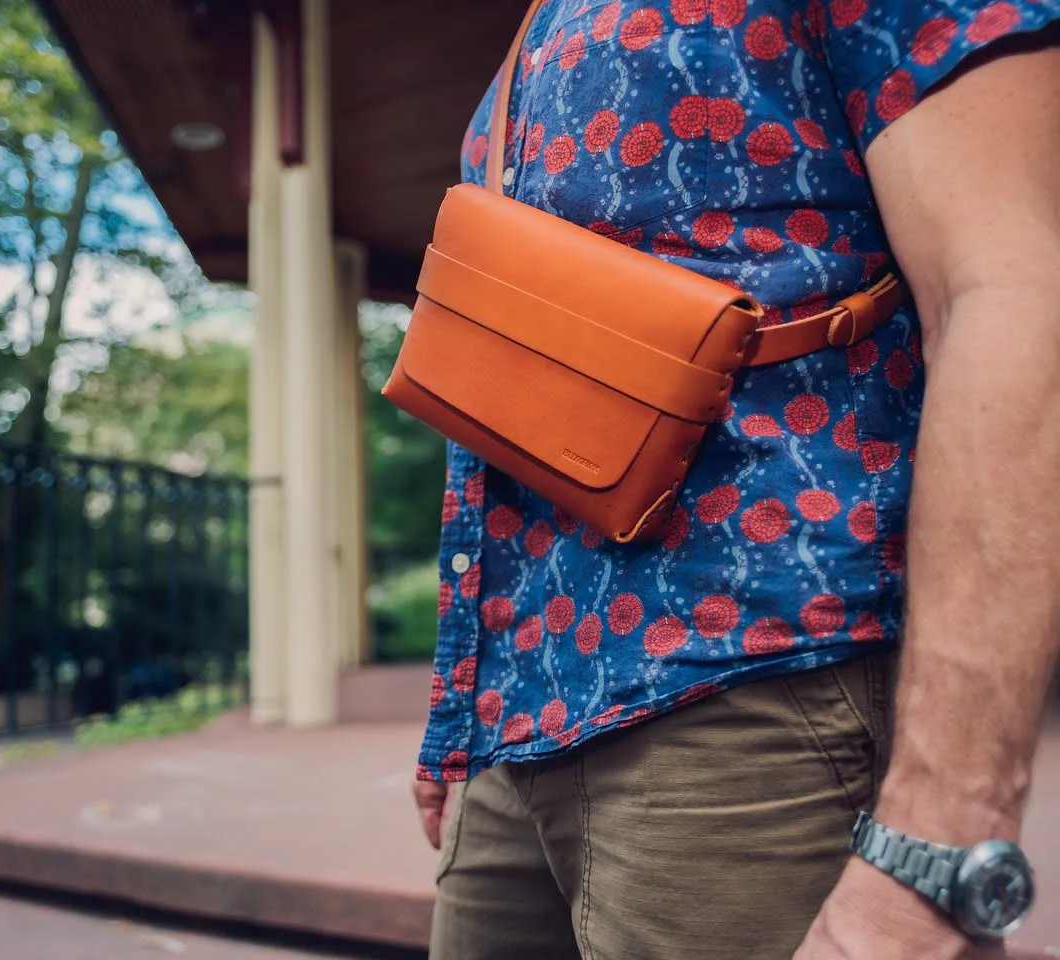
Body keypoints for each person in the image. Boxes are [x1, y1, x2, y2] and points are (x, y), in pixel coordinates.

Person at [410, 2, 1060, 958]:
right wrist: (457, 703)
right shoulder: (536, 25)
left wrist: (944, 837)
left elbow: (1011, 292)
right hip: (513, 743)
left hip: (756, 695)